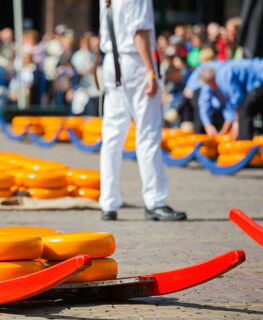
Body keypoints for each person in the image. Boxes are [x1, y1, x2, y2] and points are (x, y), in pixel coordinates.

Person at [98, 0, 186, 221]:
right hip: (134, 62)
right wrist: (150, 71)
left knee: (112, 135)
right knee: (148, 132)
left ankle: (108, 202)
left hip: (112, 61)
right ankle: (155, 200)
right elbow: (140, 32)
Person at [197, 58, 263, 140]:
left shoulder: (222, 76)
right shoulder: (224, 70)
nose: (212, 88)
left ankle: (245, 147)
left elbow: (237, 98)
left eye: (209, 85)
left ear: (211, 79)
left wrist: (234, 125)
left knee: (245, 111)